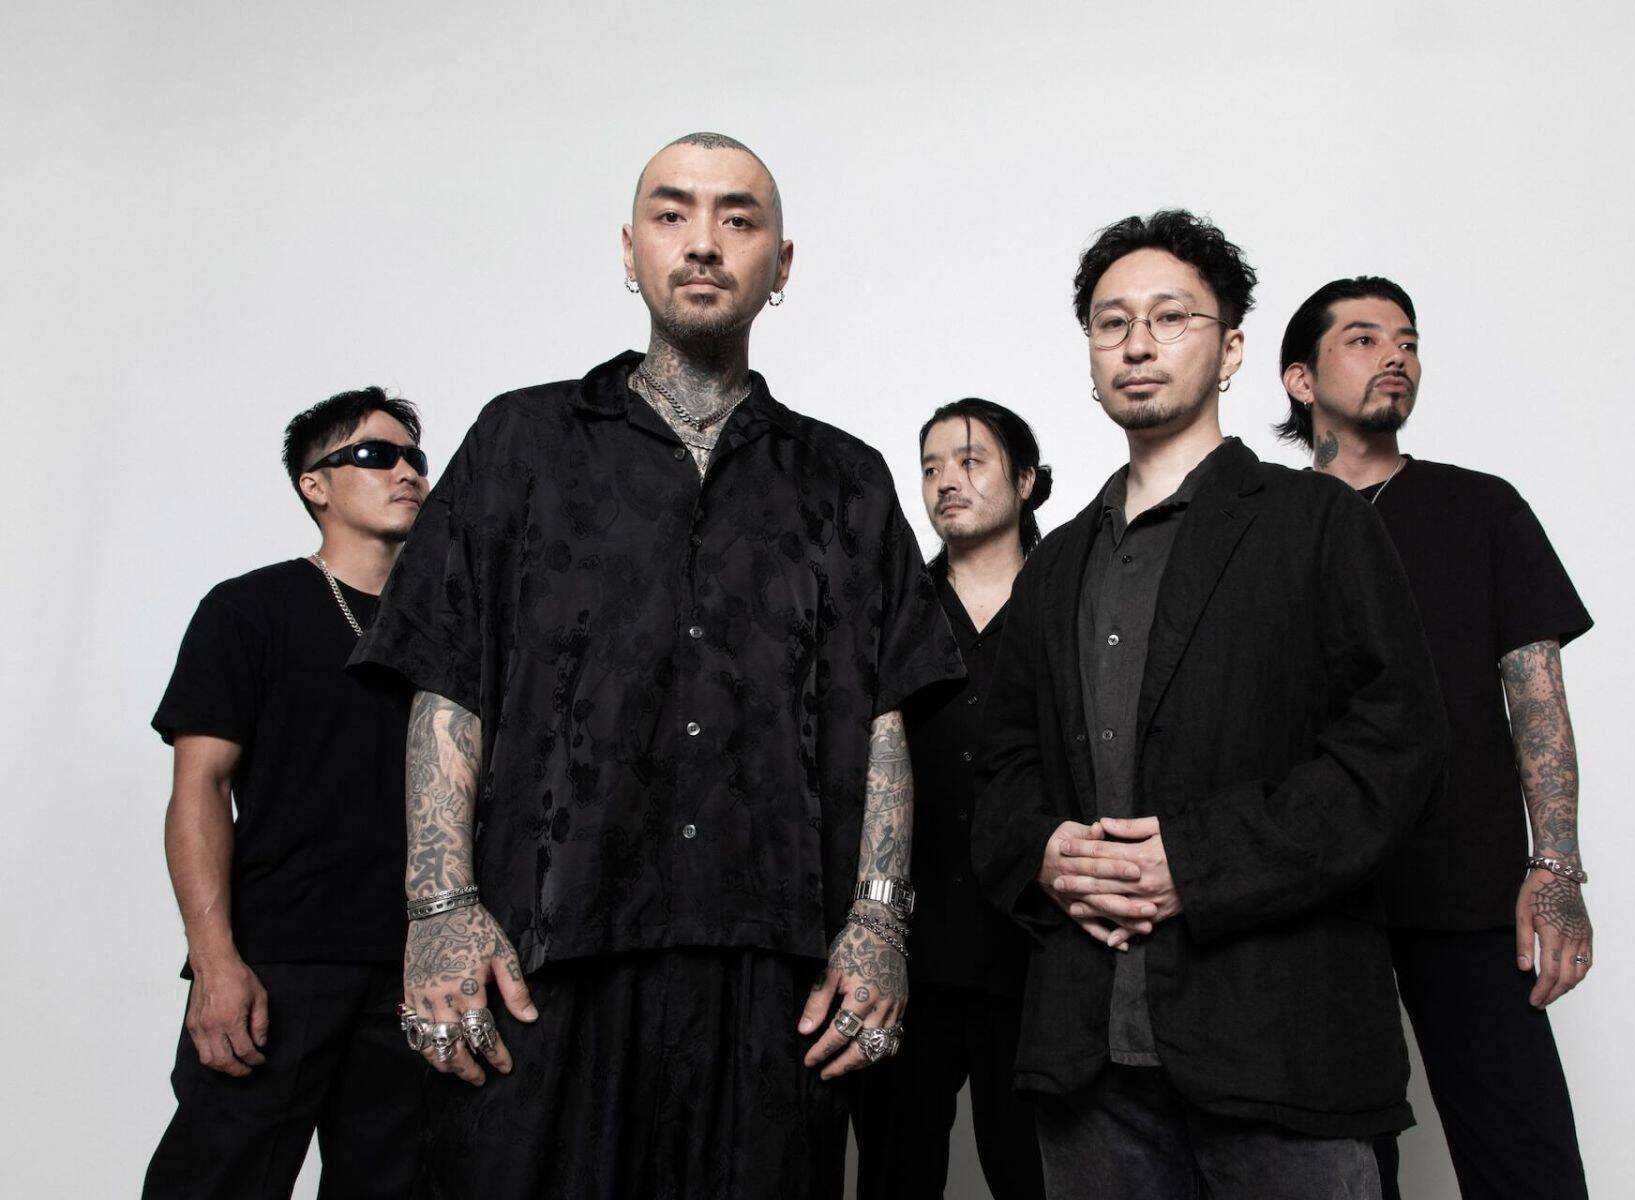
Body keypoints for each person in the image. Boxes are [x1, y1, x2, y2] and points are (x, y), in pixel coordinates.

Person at [347, 132, 962, 1200]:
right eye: (672, 215)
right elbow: (449, 680)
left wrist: (878, 922)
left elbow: (886, 716)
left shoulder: (846, 479)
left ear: (781, 264)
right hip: (542, 951)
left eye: (738, 218)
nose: (704, 243)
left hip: (774, 971)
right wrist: (439, 907)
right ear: (629, 251)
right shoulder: (520, 442)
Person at [970, 211, 1448, 1200]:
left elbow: (1395, 748)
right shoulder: (1053, 566)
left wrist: (1198, 861)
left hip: (1282, 1047)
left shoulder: (1318, 522)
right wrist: (1045, 853)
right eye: (1112, 323)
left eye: (1170, 317)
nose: (1138, 344)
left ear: (1230, 350)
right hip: (1086, 1062)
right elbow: (999, 769)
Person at [1277, 276, 1594, 1200]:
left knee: (1525, 1159)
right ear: (1301, 378)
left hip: (1465, 882)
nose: (1397, 357)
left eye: (1408, 341)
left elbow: (1538, 697)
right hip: (1311, 896)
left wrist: (1557, 870)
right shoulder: (1262, 526)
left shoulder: (1479, 507)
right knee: (1335, 1168)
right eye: (1364, 338)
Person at [143, 387, 433, 1198]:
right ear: (315, 484)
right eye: (375, 455)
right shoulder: (250, 610)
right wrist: (215, 962)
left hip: (415, 972)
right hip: (279, 963)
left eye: (414, 457)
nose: (406, 472)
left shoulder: (451, 630)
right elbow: (199, 787)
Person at [848, 399, 1049, 1200]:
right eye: (930, 467)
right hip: (907, 957)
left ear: (1025, 479)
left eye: (969, 461)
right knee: (894, 1177)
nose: (944, 482)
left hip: (1034, 956)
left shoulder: (1071, 600)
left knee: (1037, 1177)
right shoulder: (894, 608)